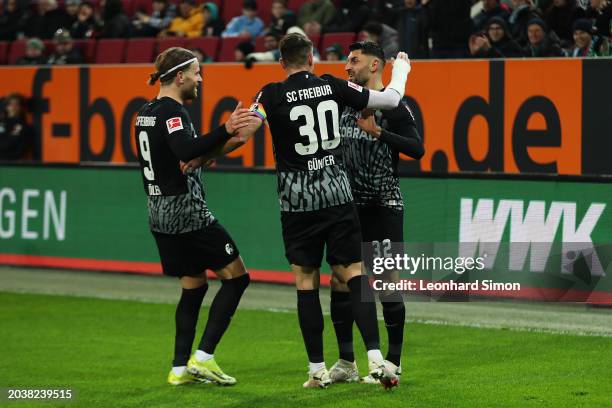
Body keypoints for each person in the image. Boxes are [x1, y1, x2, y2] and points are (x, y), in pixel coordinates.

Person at [197, 32, 411, 389]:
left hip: (298, 201)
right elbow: (390, 99)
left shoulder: (270, 94)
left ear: (282, 63)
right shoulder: (332, 86)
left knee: (306, 281)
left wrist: (209, 155)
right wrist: (401, 69)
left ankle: (317, 369)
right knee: (354, 274)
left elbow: (245, 132)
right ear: (312, 57)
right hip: (338, 194)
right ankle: (376, 358)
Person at [135, 47, 259, 386]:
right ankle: (203, 358)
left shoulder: (145, 112)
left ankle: (178, 370)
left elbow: (178, 157)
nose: (200, 79)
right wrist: (225, 128)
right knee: (237, 277)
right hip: (185, 211)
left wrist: (205, 155)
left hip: (157, 211)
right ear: (180, 76)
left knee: (193, 287)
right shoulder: (173, 113)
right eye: (197, 72)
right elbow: (185, 150)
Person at [328, 40, 423, 386]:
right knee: (340, 280)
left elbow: (417, 149)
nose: (347, 66)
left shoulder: (396, 107)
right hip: (348, 208)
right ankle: (345, 362)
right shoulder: (341, 104)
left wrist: (379, 132)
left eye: (354, 60)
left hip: (383, 206)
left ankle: (393, 364)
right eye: (346, 60)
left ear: (374, 66)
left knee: (384, 284)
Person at [0, 93, 34, 160]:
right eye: (10, 104)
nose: (13, 107)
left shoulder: (23, 126)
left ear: (21, 108)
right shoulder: (1, 123)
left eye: (17, 104)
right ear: (6, 107)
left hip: (12, 162)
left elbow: (13, 145)